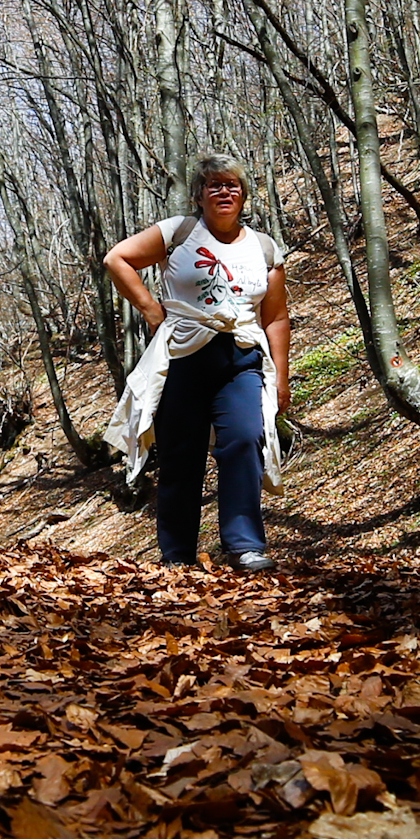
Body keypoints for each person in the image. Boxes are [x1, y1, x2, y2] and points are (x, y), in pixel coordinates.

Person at [101, 156, 293, 571]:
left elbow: (275, 316)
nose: (224, 192)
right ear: (199, 195)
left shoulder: (263, 247)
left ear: (243, 196)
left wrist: (282, 378)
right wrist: (152, 311)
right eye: (214, 186)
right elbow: (117, 259)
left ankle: (243, 546)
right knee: (180, 456)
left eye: (232, 186)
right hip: (182, 359)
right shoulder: (179, 233)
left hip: (241, 358)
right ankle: (177, 556)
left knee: (243, 440)